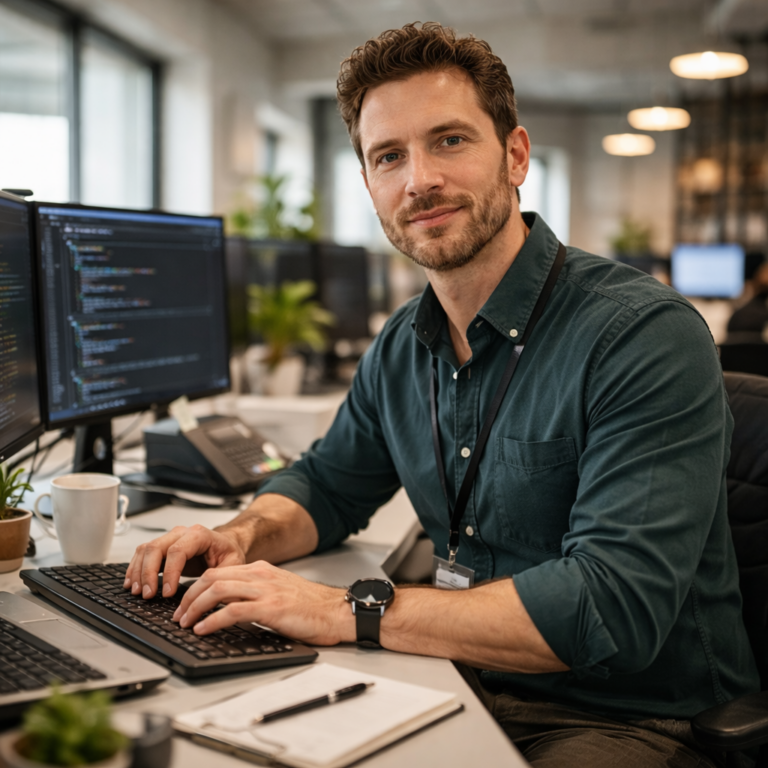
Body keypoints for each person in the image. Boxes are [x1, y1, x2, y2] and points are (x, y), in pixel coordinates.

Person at [125, 22, 758, 767]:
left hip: (629, 717)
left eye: (450, 141)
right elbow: (328, 485)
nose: (418, 179)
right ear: (369, 183)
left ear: (515, 156)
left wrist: (340, 609)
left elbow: (609, 607)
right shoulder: (402, 344)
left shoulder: (640, 335)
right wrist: (239, 537)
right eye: (388, 156)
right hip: (451, 673)